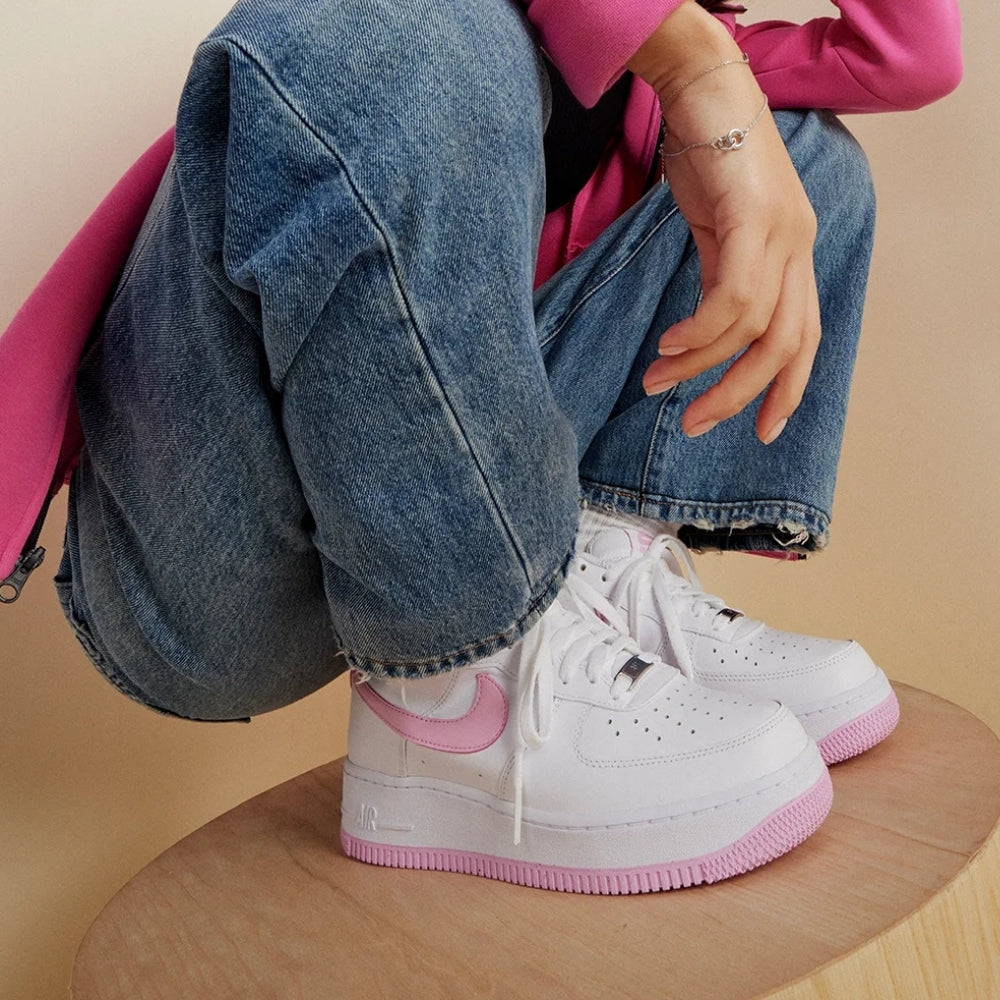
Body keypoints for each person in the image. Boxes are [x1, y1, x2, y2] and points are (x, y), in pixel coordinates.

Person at [0, 0, 961, 893]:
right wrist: (698, 64)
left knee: (793, 151)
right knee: (399, 22)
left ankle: (594, 584)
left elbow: (909, 54)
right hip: (226, 554)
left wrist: (707, 70)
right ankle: (454, 699)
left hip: (473, 488)